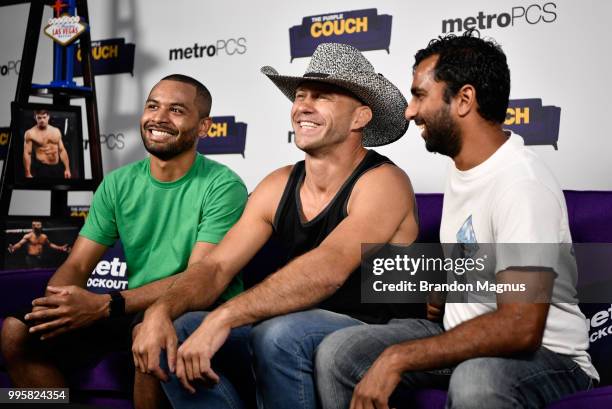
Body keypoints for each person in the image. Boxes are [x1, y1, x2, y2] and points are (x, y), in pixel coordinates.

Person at [315, 31, 599, 409]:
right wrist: (449, 288)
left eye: (419, 95)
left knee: (476, 378)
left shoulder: (522, 185)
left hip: (549, 358)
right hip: (463, 334)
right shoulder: (466, 169)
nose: (409, 111)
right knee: (340, 352)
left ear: (464, 99)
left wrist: (399, 357)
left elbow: (520, 325)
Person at [132, 43, 419, 409]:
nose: (303, 107)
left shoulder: (385, 181)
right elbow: (217, 267)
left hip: (375, 329)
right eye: (300, 96)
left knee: (280, 333)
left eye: (323, 97)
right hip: (297, 325)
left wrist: (224, 317)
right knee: (177, 328)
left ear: (360, 117)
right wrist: (160, 312)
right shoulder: (278, 184)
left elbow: (329, 267)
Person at [0, 74, 248, 409]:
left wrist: (106, 304)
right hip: (130, 305)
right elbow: (78, 264)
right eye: (152, 106)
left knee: (149, 334)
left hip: (193, 308)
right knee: (17, 331)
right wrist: (58, 306)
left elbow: (200, 276)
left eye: (176, 110)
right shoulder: (118, 183)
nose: (159, 118)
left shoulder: (223, 186)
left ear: (203, 127)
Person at [23, 109, 71, 179]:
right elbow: (27, 153)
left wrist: (67, 169)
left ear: (48, 117)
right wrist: (27, 173)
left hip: (57, 168)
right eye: (39, 118)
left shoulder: (56, 131)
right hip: (42, 168)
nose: (42, 120)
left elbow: (62, 150)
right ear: (35, 118)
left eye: (44, 117)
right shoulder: (30, 133)